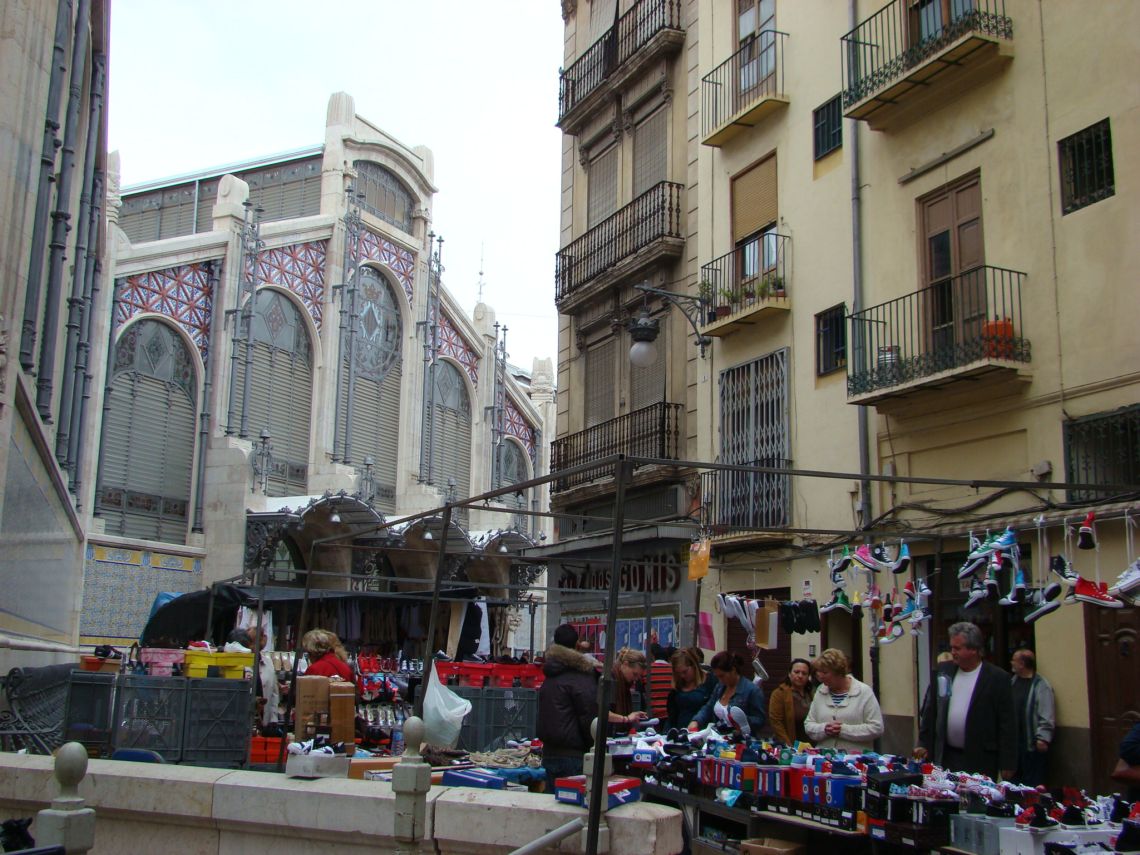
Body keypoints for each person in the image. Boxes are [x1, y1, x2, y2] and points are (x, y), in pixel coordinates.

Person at [916, 621, 1016, 781]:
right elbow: (931, 710)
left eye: (957, 648)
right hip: (946, 756)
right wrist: (923, 742)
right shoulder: (944, 671)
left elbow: (1007, 723)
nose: (952, 652)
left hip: (980, 758)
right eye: (951, 647)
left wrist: (1008, 762)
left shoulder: (997, 678)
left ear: (974, 649)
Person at [536, 624, 600, 790]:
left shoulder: (550, 675)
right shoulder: (581, 676)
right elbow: (589, 718)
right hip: (574, 754)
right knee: (572, 808)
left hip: (550, 752)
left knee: (552, 807)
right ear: (577, 644)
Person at [804, 648, 883, 751]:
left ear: (839, 672)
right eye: (818, 671)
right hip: (823, 760)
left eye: (825, 672)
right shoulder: (820, 691)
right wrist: (824, 729)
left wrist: (843, 730)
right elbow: (809, 725)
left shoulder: (863, 692)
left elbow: (876, 727)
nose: (820, 676)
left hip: (855, 761)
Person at [689, 651, 767, 737]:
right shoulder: (719, 687)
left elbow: (760, 720)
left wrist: (744, 720)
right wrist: (696, 721)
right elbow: (709, 707)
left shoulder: (752, 690)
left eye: (722, 676)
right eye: (717, 676)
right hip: (718, 740)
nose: (719, 679)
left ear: (733, 670)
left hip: (742, 741)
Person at [1010, 648, 1055, 787]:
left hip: (1032, 744)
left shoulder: (1041, 685)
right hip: (1014, 744)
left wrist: (1043, 737)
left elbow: (1047, 711)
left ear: (1022, 664)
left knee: (1032, 783)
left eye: (1014, 660)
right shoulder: (1012, 682)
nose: (1011, 662)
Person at [224, 627, 280, 728]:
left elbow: (274, 694)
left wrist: (273, 720)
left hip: (263, 721)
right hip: (239, 721)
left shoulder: (268, 662)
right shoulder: (237, 664)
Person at [665, 648, 716, 730]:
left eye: (685, 672)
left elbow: (710, 708)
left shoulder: (710, 681)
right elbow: (672, 716)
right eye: (678, 673)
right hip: (681, 731)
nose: (682, 676)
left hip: (703, 731)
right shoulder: (677, 687)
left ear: (694, 665)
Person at [769, 657, 813, 745]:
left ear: (808, 677)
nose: (800, 676)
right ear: (789, 674)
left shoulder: (812, 694)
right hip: (790, 745)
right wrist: (788, 746)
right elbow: (776, 722)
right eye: (796, 672)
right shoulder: (779, 694)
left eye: (804, 673)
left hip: (811, 745)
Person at [609, 648, 650, 729]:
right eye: (635, 674)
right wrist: (626, 719)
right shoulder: (611, 679)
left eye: (639, 676)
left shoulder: (624, 683)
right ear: (625, 664)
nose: (636, 679)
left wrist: (633, 716)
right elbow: (602, 713)